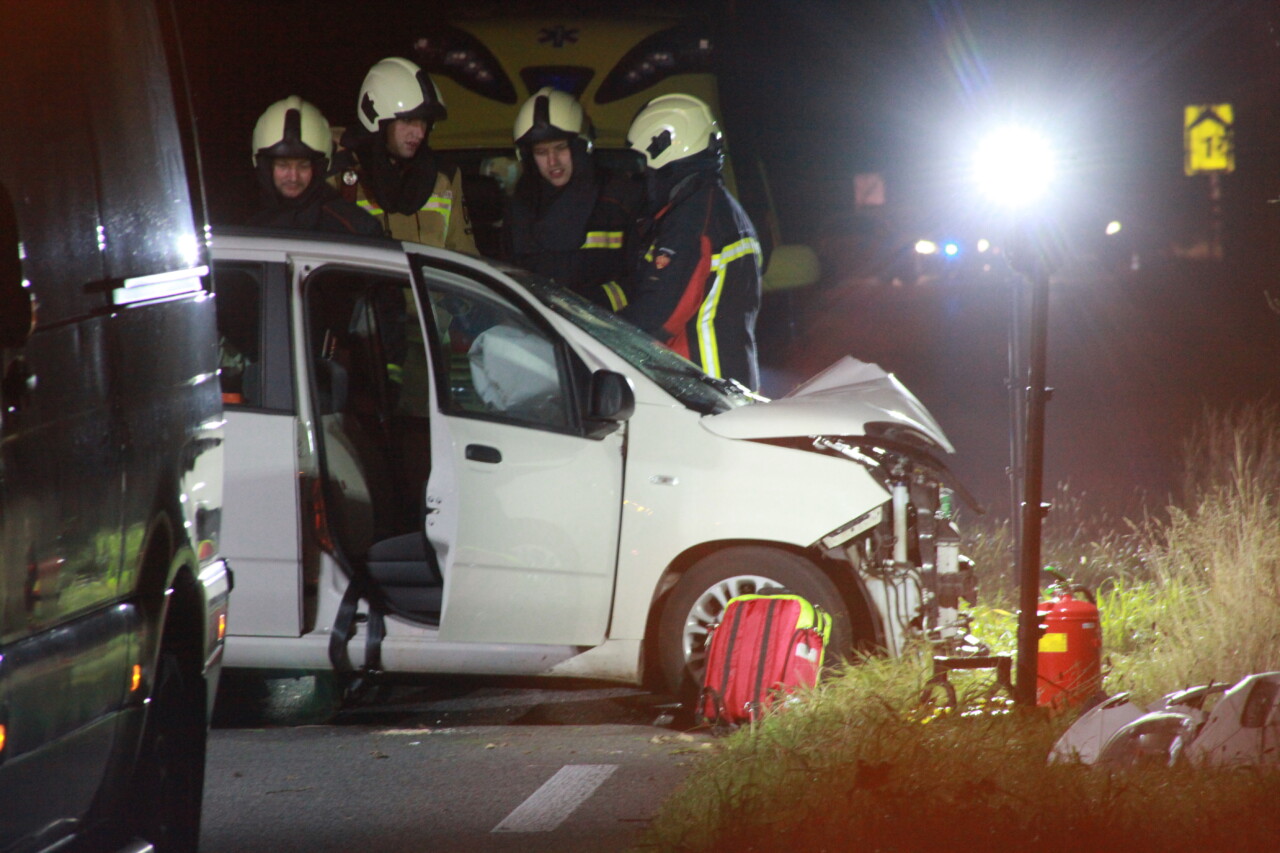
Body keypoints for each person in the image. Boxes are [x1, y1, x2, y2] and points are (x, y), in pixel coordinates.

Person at [621, 93, 763, 390]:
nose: (639, 176)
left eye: (641, 164)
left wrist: (593, 332)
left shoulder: (692, 218)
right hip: (727, 382)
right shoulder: (720, 207)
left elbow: (659, 317)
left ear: (661, 152)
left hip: (701, 391)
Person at [503, 86, 641, 310]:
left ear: (581, 147)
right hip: (540, 332)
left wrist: (593, 303)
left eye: (560, 148)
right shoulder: (521, 206)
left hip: (607, 334)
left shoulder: (619, 199)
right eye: (541, 152)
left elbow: (641, 279)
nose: (552, 161)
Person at [332, 57, 477, 253]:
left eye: (424, 122)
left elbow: (465, 257)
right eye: (408, 120)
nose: (419, 133)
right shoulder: (338, 178)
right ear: (377, 119)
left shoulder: (445, 178)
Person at [247, 96, 383, 236]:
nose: (293, 176)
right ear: (265, 167)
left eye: (303, 166)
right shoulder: (238, 223)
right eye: (283, 165)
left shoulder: (357, 229)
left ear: (319, 168)